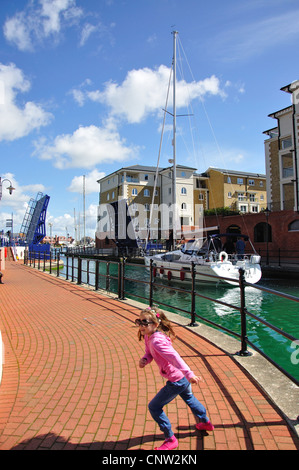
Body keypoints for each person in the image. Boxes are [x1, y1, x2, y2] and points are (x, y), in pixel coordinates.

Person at [135, 306, 214, 451]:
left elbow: (175, 357)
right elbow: (149, 352)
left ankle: (170, 439)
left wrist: (189, 374)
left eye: (145, 322)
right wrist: (145, 359)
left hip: (177, 380)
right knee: (190, 399)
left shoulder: (157, 341)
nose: (141, 326)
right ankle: (206, 422)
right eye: (139, 321)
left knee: (154, 407)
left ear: (156, 324)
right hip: (180, 378)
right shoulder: (149, 336)